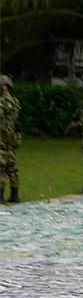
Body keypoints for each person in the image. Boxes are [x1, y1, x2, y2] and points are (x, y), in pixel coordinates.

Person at [0, 75, 20, 204]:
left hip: (2, 137)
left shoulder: (1, 102)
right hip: (12, 138)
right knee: (12, 167)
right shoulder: (15, 101)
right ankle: (15, 195)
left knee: (1, 167)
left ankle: (0, 196)